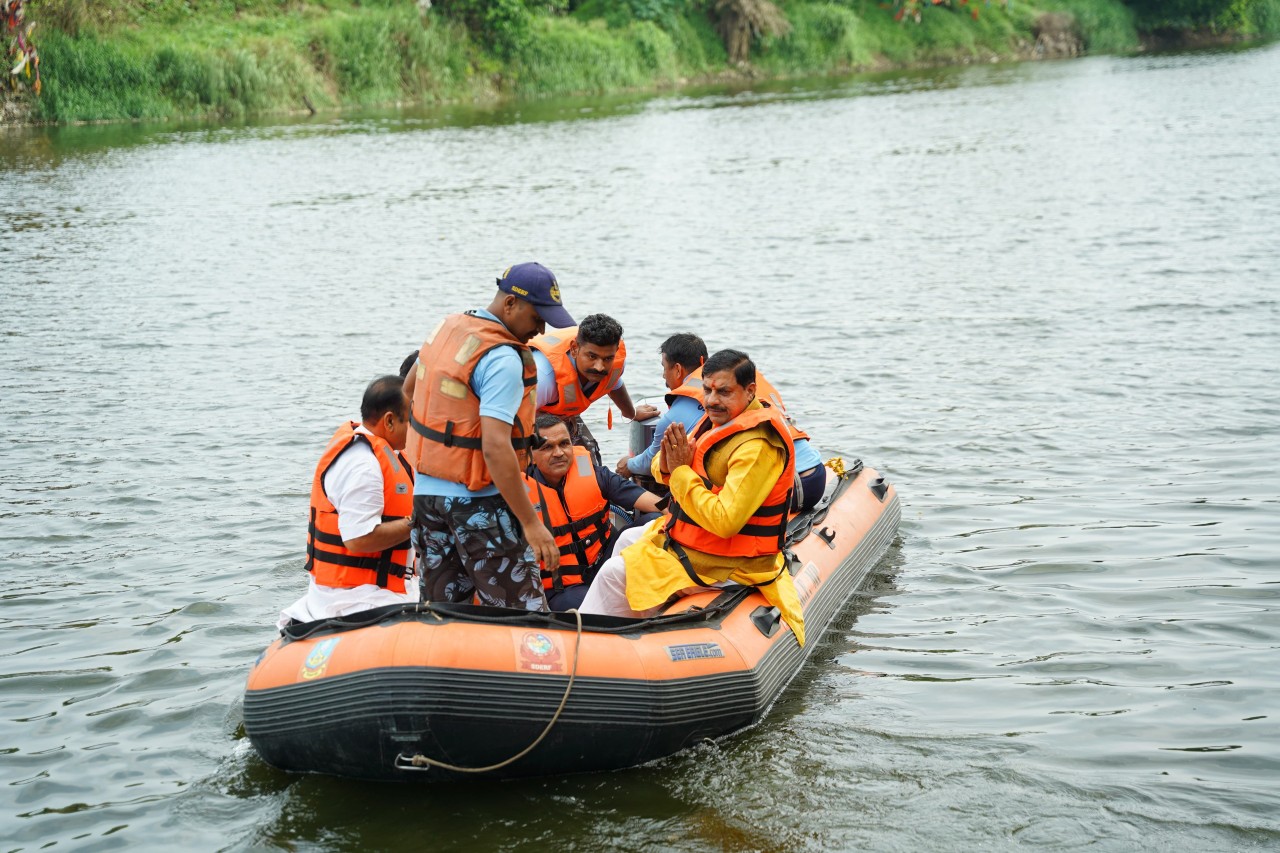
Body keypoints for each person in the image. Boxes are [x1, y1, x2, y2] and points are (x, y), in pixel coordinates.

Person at [581, 350, 806, 645]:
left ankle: (589, 645)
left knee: (613, 573)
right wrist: (667, 465)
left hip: (733, 565)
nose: (712, 400)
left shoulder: (757, 447)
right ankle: (638, 625)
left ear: (750, 390)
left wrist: (679, 472)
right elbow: (665, 465)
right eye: (708, 390)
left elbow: (725, 521)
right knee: (627, 539)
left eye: (724, 391)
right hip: (700, 545)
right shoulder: (716, 422)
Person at [402, 262, 574, 611]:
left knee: (444, 613)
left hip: (427, 499)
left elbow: (408, 391)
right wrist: (531, 524)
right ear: (510, 303)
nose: (540, 330)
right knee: (523, 616)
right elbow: (495, 447)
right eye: (537, 317)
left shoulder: (448, 329)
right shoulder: (503, 359)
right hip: (480, 505)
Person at [618, 336, 827, 511]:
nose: (711, 400)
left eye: (664, 368)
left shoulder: (680, 415)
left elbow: (652, 460)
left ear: (678, 369)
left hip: (794, 484)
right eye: (707, 391)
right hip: (814, 470)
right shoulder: (741, 379)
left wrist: (629, 464)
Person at [278, 375, 418, 629]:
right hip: (356, 599)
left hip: (376, 589)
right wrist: (418, 522)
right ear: (389, 421)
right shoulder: (364, 466)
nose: (418, 430)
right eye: (413, 421)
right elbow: (358, 539)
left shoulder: (385, 452)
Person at [523, 414, 663, 611]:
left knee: (655, 522)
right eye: (547, 447)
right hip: (562, 585)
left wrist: (679, 510)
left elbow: (653, 503)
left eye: (564, 444)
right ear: (530, 454)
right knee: (588, 606)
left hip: (605, 560)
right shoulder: (517, 493)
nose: (559, 453)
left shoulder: (595, 474)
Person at [530, 313, 659, 463]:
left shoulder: (616, 362)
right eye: (592, 357)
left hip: (563, 413)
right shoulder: (543, 378)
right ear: (574, 349)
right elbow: (513, 418)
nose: (599, 367)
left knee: (588, 463)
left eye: (607, 358)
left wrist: (631, 413)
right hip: (526, 413)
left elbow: (614, 384)